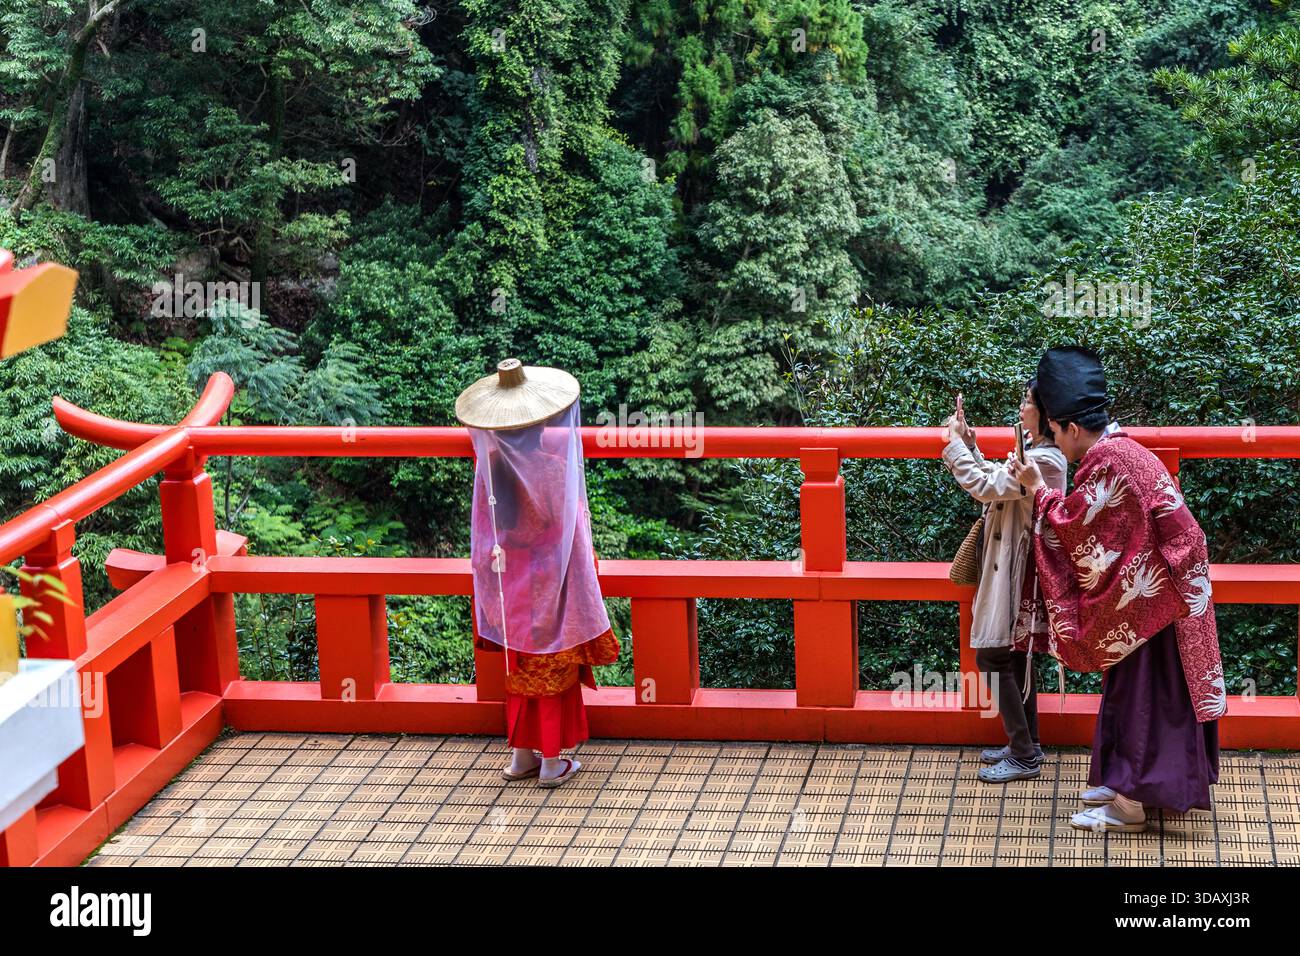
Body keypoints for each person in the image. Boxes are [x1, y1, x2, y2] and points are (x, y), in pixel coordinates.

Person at [1008, 346, 1224, 833]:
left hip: (1157, 603)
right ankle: (1120, 780)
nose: (1057, 444)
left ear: (1072, 427)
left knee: (1146, 697)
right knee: (1134, 692)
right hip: (1163, 593)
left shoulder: (1108, 462)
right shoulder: (1123, 449)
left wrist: (1036, 490)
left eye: (1055, 431)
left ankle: (1131, 803)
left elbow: (1074, 528)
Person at [456, 359, 620, 788]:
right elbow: (569, 532)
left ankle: (520, 756)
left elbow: (490, 534)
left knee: (520, 663)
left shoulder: (490, 471)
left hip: (510, 581)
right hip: (550, 578)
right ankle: (551, 762)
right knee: (553, 663)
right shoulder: (552, 468)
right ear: (539, 424)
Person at [943, 384, 1067, 783]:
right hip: (1013, 565)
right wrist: (971, 446)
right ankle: (1026, 744)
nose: (1021, 406)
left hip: (1022, 570)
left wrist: (953, 445)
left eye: (1028, 401)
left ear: (1046, 413)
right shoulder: (1034, 451)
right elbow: (995, 487)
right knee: (1015, 655)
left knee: (994, 657)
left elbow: (984, 486)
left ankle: (1024, 752)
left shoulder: (1046, 461)